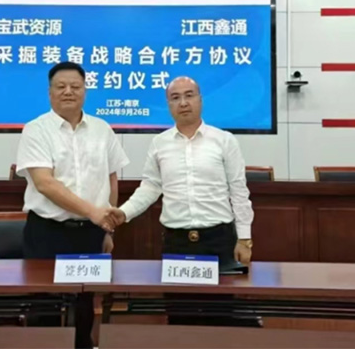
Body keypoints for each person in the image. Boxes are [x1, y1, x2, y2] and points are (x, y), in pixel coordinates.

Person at [108, 76, 256, 326]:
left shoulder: (224, 140)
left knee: (221, 314)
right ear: (168, 104)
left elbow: (239, 191)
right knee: (179, 313)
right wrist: (123, 213)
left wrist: (244, 239)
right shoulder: (159, 143)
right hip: (177, 242)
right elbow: (151, 187)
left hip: (219, 240)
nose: (183, 103)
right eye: (175, 98)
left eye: (189, 95)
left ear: (200, 100)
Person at [15, 61, 129, 348]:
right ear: (50, 92)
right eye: (61, 86)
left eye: (75, 86)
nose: (68, 91)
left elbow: (111, 179)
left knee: (84, 303)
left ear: (85, 90)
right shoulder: (36, 129)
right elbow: (45, 183)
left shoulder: (102, 129)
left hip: (90, 233)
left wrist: (107, 229)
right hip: (47, 231)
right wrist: (94, 213)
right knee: (44, 304)